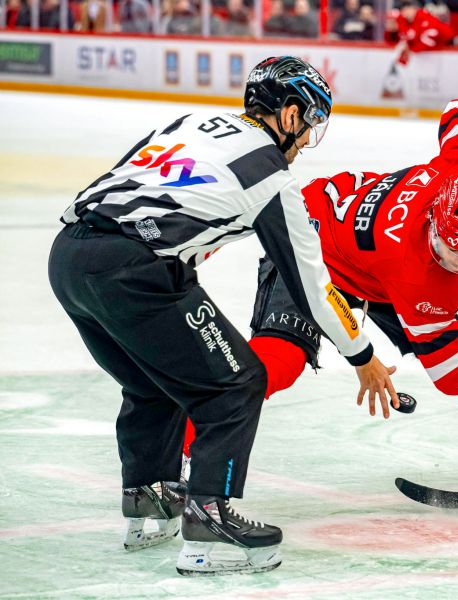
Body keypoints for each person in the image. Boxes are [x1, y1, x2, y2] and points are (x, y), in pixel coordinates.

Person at [47, 56, 398, 576]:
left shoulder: (188, 124)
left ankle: (149, 496)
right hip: (134, 270)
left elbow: (125, 182)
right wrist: (363, 356)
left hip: (70, 257)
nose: (304, 143)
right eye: (308, 126)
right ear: (290, 114)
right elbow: (313, 290)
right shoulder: (273, 178)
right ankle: (210, 516)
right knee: (237, 384)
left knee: (154, 379)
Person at [236, 99, 458, 479]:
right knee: (280, 360)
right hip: (308, 242)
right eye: (453, 250)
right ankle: (185, 448)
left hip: (370, 263)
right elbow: (457, 375)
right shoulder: (418, 278)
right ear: (435, 220)